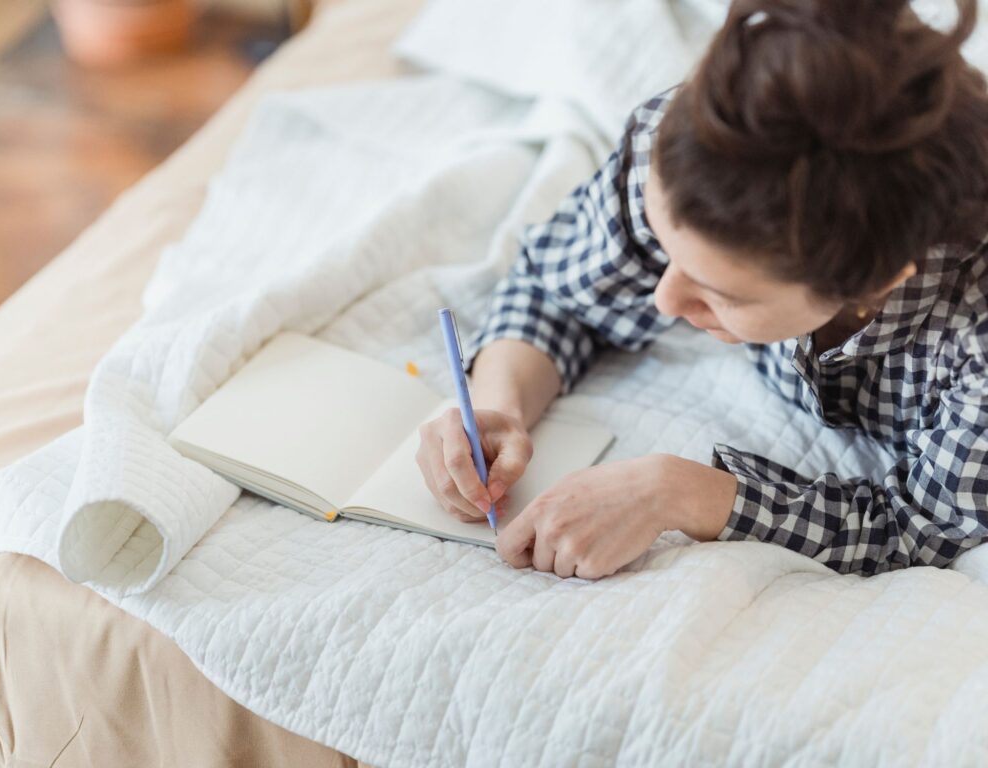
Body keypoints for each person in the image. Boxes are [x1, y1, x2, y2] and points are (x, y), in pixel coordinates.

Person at [414, 0, 988, 580]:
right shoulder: (684, 152)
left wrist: (683, 493)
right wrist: (498, 404)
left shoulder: (977, 337)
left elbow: (922, 527)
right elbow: (558, 288)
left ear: (872, 282)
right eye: (666, 249)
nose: (664, 300)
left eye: (723, 294)